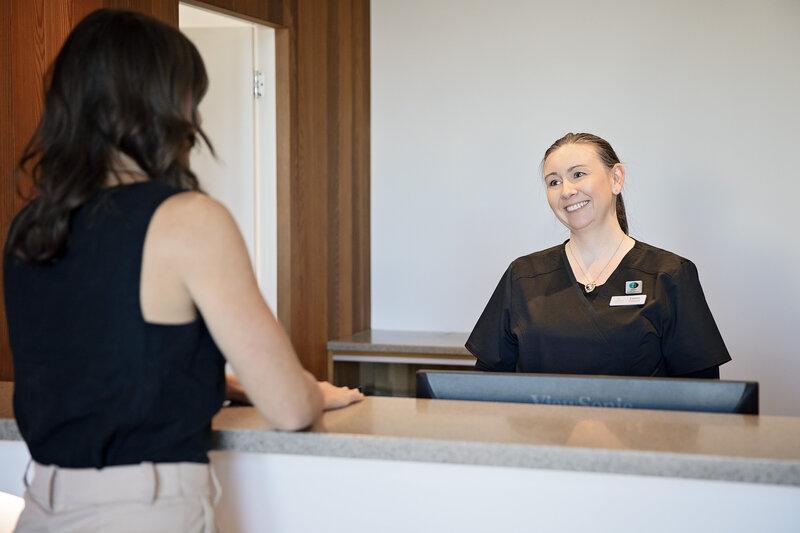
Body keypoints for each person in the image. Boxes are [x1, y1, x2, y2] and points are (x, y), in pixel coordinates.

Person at [3, 9, 362, 532]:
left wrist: (212, 379)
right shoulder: (189, 219)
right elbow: (288, 408)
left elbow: (96, 363)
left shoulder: (31, 230)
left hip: (40, 508)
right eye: (190, 98)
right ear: (160, 105)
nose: (195, 119)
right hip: (142, 512)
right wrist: (316, 393)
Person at [466, 132, 731, 378]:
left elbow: (701, 398)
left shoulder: (669, 275)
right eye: (554, 182)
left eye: (578, 174)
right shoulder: (523, 277)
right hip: (541, 429)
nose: (567, 190)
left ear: (616, 178)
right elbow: (485, 384)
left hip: (639, 430)